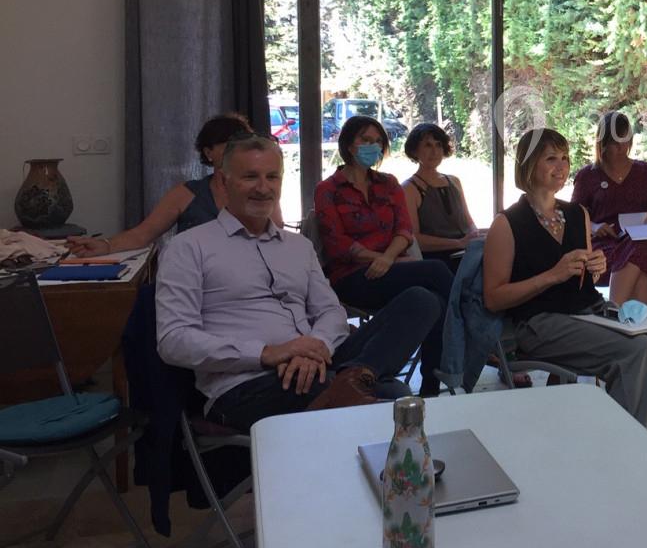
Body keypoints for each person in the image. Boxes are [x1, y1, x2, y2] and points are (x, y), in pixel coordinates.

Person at [156, 134, 439, 431]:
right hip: (250, 383)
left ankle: (351, 379)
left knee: (421, 300)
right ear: (224, 183)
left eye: (272, 177)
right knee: (392, 396)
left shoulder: (298, 247)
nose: (263, 188)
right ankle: (352, 387)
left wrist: (315, 347)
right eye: (250, 177)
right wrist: (267, 353)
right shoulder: (188, 247)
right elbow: (173, 340)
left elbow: (331, 312)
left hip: (321, 364)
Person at [483, 127, 647, 458]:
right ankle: (636, 458)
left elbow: (583, 281)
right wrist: (552, 275)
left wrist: (594, 265)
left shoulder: (577, 214)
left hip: (587, 311)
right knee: (635, 352)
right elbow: (493, 297)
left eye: (564, 158)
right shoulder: (507, 224)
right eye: (551, 158)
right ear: (528, 164)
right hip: (539, 323)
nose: (561, 166)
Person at [314, 115, 454, 397]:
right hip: (352, 277)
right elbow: (337, 243)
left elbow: (404, 229)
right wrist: (375, 258)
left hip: (391, 267)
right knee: (437, 270)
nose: (373, 146)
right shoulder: (328, 190)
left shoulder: (388, 184)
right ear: (349, 145)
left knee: (436, 299)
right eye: (365, 140)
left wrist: (388, 258)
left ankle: (430, 386)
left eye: (378, 142)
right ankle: (469, 337)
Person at [67, 113, 282, 256]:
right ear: (209, 153)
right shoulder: (186, 193)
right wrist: (105, 246)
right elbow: (143, 234)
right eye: (228, 147)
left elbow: (277, 238)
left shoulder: (260, 192)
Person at [570, 112, 647, 307]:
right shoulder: (588, 176)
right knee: (640, 269)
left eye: (625, 141)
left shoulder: (644, 171)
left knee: (641, 250)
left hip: (642, 240)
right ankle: (643, 328)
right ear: (603, 144)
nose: (622, 148)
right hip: (605, 248)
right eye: (615, 143)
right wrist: (596, 227)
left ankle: (614, 314)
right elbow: (575, 217)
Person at [401, 123, 482, 273]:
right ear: (414, 150)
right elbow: (414, 239)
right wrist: (458, 243)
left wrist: (475, 236)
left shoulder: (454, 181)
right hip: (438, 260)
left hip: (466, 253)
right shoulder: (409, 188)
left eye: (438, 145)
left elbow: (468, 220)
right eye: (427, 145)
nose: (434, 151)